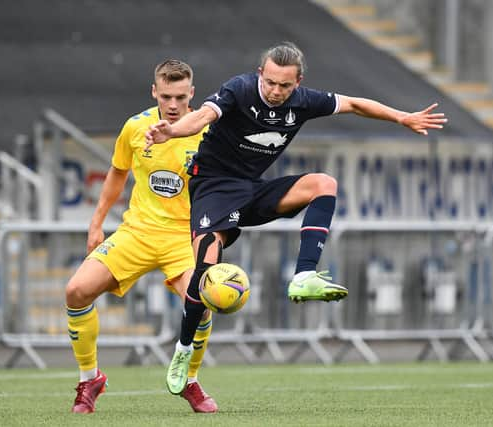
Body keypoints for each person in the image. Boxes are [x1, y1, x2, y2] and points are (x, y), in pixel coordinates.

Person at [145, 42, 448, 395]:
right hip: (213, 188)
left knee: (324, 184)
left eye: (284, 86)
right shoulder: (239, 89)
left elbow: (353, 104)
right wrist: (174, 130)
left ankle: (304, 275)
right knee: (205, 268)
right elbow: (204, 116)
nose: (275, 91)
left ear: (297, 82)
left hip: (253, 189)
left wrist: (400, 117)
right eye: (270, 82)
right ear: (261, 74)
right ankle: (183, 350)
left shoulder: (304, 101)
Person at [65, 59, 218, 414]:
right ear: (155, 92)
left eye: (181, 96)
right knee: (76, 291)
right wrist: (96, 222)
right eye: (167, 96)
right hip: (136, 233)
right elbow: (117, 173)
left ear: (192, 94)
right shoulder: (135, 127)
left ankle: (189, 380)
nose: (174, 104)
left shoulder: (207, 131)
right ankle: (90, 379)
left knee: (201, 301)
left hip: (182, 237)